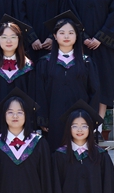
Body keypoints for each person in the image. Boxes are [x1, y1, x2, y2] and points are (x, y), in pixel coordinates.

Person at [36, 11, 101, 150]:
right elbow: (39, 92)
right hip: (53, 119)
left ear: (77, 36)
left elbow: (94, 92)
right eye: (62, 32)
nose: (66, 36)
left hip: (79, 121)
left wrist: (89, 118)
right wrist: (42, 119)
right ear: (54, 36)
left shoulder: (86, 62)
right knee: (54, 154)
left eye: (71, 33)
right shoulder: (45, 62)